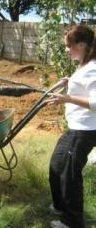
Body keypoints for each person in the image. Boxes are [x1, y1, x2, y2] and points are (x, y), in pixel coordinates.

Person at [47, 25, 96, 228]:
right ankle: (61, 206)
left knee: (70, 175)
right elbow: (84, 87)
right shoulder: (84, 66)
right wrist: (70, 81)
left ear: (82, 45)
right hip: (76, 128)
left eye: (69, 46)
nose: (67, 49)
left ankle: (72, 221)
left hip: (84, 130)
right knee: (56, 165)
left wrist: (67, 98)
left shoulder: (93, 68)